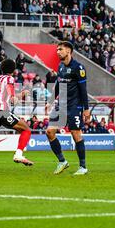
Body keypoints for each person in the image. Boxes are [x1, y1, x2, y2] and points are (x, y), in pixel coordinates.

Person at [45, 41, 90, 175]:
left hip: (74, 106)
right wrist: (50, 101)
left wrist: (86, 109)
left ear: (68, 51)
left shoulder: (79, 68)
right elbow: (58, 85)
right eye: (57, 49)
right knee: (49, 132)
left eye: (60, 49)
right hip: (61, 105)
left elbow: (83, 89)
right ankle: (62, 161)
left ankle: (83, 167)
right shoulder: (60, 66)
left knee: (76, 134)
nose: (58, 52)